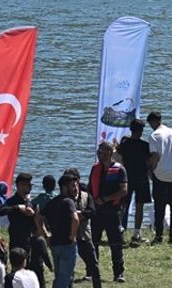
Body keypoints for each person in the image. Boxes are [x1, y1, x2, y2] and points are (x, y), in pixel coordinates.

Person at [88, 140, 127, 283]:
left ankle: (119, 273)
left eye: (101, 151)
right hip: (97, 212)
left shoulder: (119, 169)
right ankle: (92, 271)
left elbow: (123, 191)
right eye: (98, 151)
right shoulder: (95, 168)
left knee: (115, 244)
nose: (98, 153)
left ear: (109, 153)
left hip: (112, 212)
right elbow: (90, 189)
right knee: (93, 243)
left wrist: (105, 199)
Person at [146, 111, 172, 245]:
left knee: (159, 206)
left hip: (160, 174)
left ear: (153, 122)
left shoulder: (154, 136)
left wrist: (150, 171)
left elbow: (155, 157)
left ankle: (158, 236)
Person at [37, 173, 79, 288]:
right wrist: (73, 236)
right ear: (64, 187)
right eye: (73, 186)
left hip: (55, 244)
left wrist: (46, 235)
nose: (75, 189)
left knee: (60, 276)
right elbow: (75, 219)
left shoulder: (52, 202)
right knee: (64, 279)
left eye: (76, 186)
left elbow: (38, 218)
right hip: (67, 245)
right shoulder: (68, 202)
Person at [116, 118, 152, 242]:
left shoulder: (124, 141)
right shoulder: (145, 145)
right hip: (141, 178)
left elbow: (119, 154)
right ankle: (136, 234)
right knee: (139, 206)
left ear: (131, 129)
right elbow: (148, 163)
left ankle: (117, 230)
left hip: (126, 177)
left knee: (122, 205)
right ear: (141, 131)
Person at [0, 173, 36, 252]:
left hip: (28, 239)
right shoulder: (12, 200)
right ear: (20, 185)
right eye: (28, 185)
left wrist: (33, 214)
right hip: (16, 238)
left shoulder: (28, 202)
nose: (31, 188)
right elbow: (1, 211)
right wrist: (17, 207)